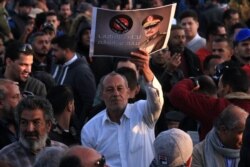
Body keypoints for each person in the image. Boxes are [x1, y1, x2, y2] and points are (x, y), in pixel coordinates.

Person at [81, 49, 164, 167]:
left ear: (128, 92)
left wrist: (145, 68)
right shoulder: (90, 129)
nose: (115, 93)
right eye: (110, 90)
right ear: (102, 95)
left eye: (120, 89)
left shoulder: (142, 111)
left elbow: (157, 100)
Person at [169, 67, 250, 140]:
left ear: (227, 89)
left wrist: (194, 81)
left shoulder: (219, 107)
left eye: (219, 87)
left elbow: (177, 95)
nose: (218, 92)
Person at [0, 96, 67, 167]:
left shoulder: (63, 152)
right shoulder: (5, 157)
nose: (30, 129)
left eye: (36, 122)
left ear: (48, 125)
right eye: (24, 122)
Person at [51, 34, 96, 132]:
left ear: (66, 51)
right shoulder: (57, 63)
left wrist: (78, 125)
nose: (52, 53)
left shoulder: (82, 72)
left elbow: (89, 102)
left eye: (55, 50)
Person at [0, 79, 21, 149]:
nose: (20, 101)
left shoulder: (24, 122)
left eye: (20, 96)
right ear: (0, 103)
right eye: (15, 97)